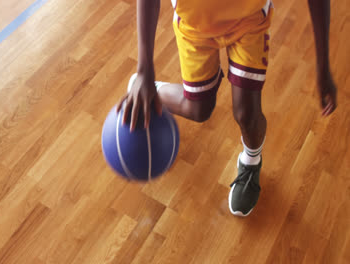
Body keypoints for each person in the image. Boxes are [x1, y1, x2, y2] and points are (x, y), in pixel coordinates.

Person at [117, 0, 337, 216]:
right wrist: (145, 71)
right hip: (194, 26)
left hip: (248, 22)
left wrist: (323, 66)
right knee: (199, 109)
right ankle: (152, 89)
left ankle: (251, 162)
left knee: (246, 114)